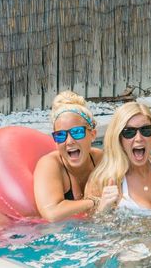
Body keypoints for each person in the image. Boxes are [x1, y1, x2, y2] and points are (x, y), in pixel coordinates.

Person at [33, 91, 103, 222]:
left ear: (93, 135)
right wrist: (94, 202)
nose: (69, 141)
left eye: (77, 132)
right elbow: (52, 213)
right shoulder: (50, 164)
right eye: (60, 135)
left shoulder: (101, 160)